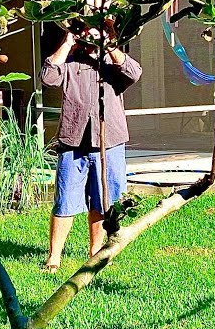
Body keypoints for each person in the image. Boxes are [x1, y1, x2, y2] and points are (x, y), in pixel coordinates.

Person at [40, 23, 142, 273]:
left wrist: (109, 46)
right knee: (65, 201)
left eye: (98, 31)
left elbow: (134, 73)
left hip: (109, 144)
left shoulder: (113, 64)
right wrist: (67, 43)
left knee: (102, 201)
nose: (92, 36)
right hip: (73, 142)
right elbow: (48, 77)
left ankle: (95, 255)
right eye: (88, 31)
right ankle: (54, 258)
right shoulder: (71, 60)